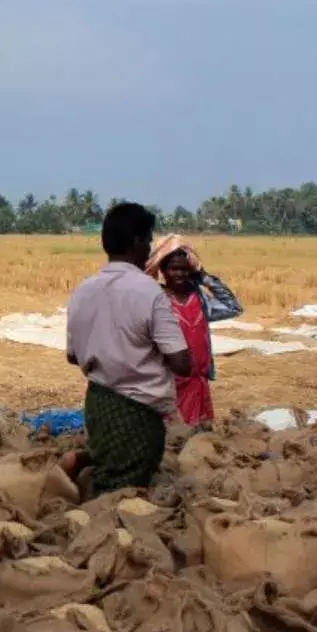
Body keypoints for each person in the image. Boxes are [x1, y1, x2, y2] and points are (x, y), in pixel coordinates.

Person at [64, 203, 192, 495]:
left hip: (98, 405)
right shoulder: (149, 292)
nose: (149, 247)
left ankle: (81, 468)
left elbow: (72, 356)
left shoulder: (84, 289)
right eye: (148, 240)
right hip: (137, 415)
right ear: (136, 240)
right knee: (124, 491)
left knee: (108, 465)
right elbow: (182, 362)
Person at [145, 235, 244, 428]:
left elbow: (233, 307)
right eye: (174, 269)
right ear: (163, 270)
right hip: (171, 382)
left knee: (201, 432)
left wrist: (203, 277)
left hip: (199, 380)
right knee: (174, 433)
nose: (180, 274)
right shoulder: (159, 301)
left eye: (185, 269)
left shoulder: (200, 300)